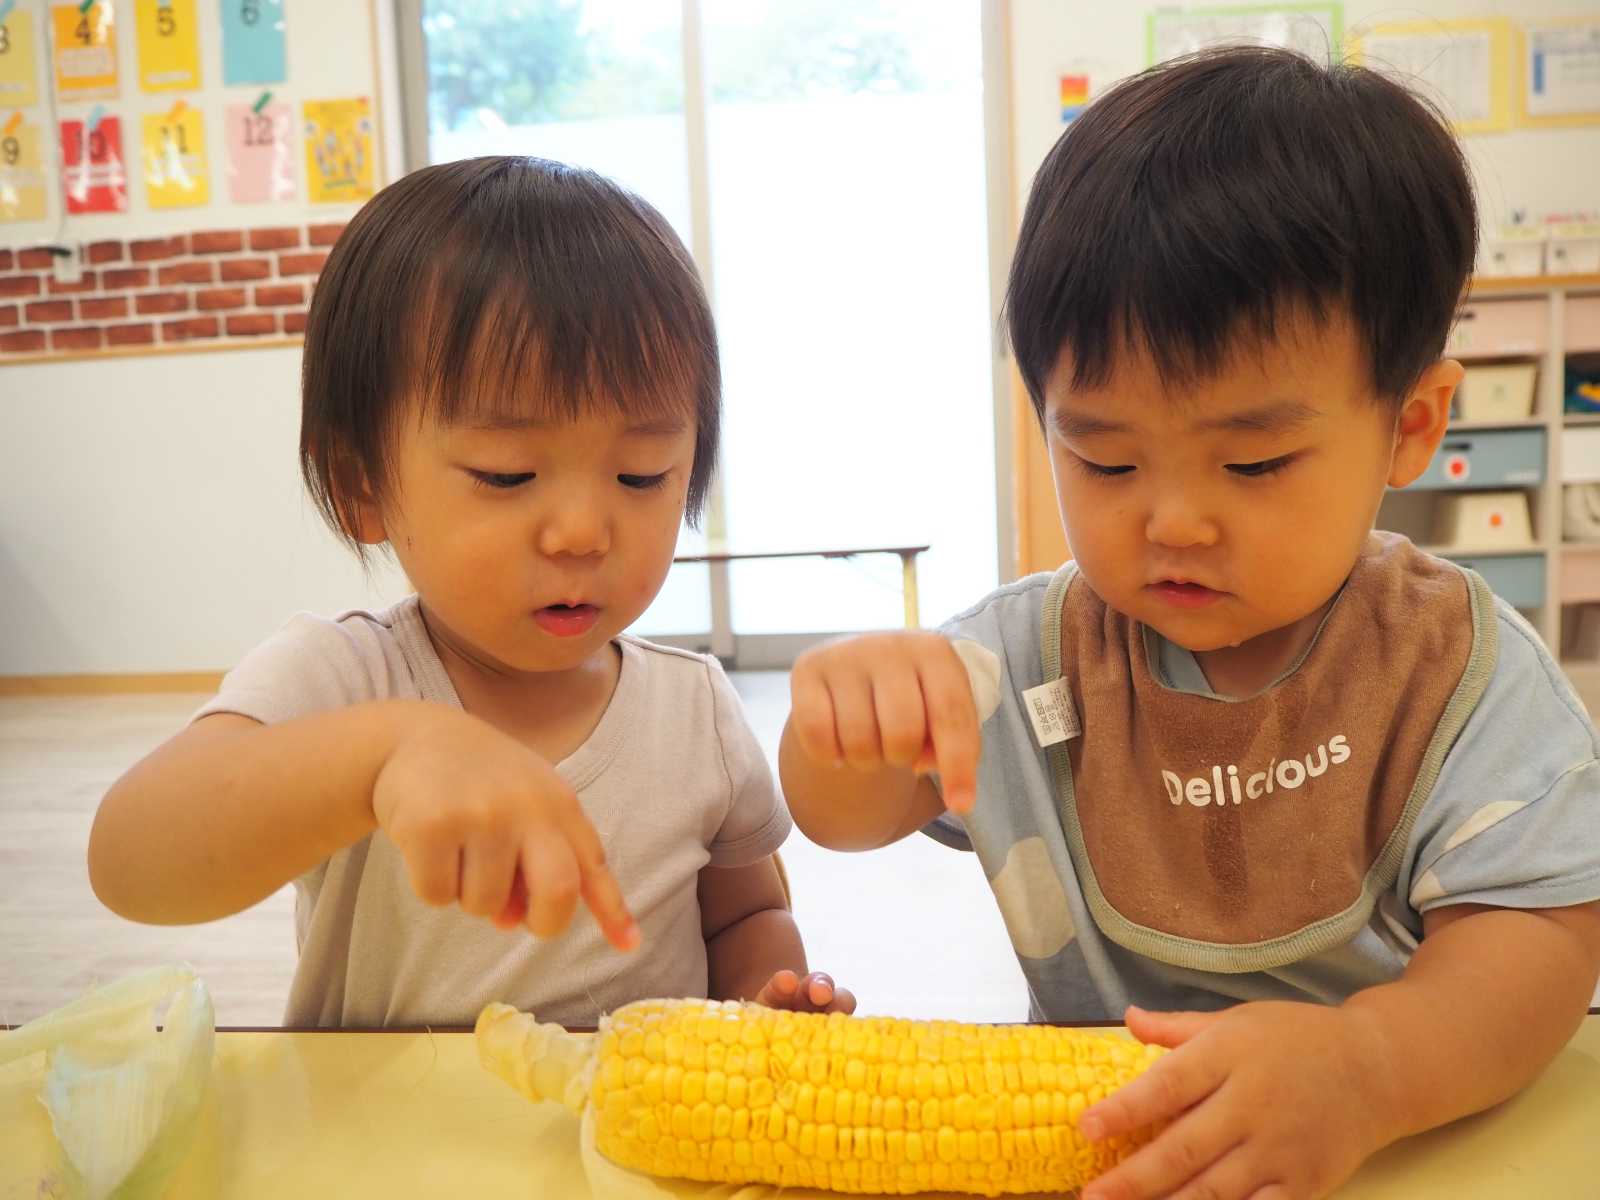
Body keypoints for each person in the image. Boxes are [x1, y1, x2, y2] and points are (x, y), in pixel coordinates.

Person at [779, 47, 1600, 1200]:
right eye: (1106, 461)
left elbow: (1543, 942)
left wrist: (1369, 1070)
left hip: (1395, 1149)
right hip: (1110, 1157)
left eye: (1252, 463)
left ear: (1410, 426)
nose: (1171, 523)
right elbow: (842, 816)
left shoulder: (1450, 672)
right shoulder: (1026, 660)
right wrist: (843, 721)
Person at [89, 156, 852, 1029]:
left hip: (627, 1119)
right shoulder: (344, 681)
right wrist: (380, 758)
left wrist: (766, 1006)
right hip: (389, 1118)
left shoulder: (694, 712)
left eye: (641, 475)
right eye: (508, 473)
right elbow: (129, 860)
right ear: (362, 484)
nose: (582, 532)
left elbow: (746, 917)